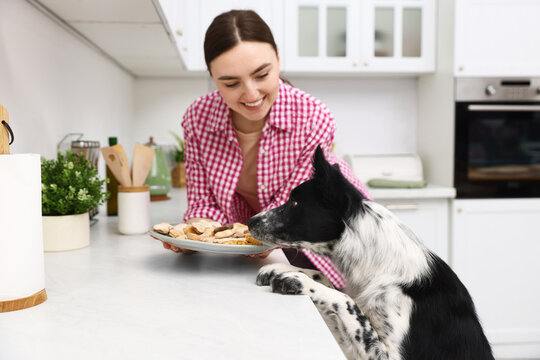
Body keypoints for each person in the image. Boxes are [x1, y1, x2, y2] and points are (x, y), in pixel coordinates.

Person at [162, 9, 370, 289]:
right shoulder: (198, 119)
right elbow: (202, 202)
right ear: (212, 76)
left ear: (278, 60)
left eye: (262, 74)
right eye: (231, 83)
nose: (251, 94)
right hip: (258, 243)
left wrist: (256, 238)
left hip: (324, 236)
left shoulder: (314, 117)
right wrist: (196, 235)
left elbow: (291, 207)